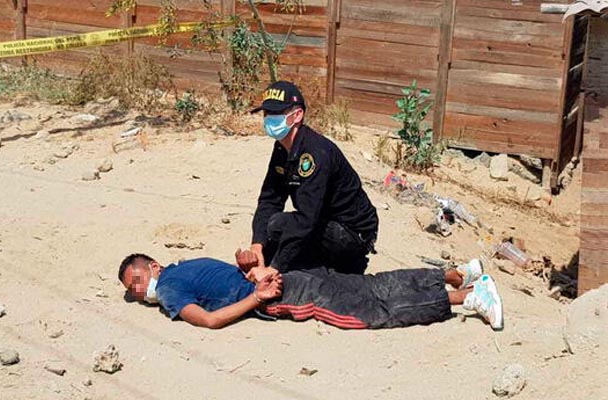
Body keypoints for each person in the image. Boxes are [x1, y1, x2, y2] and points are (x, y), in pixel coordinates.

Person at [118, 253, 503, 331]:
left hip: (282, 295)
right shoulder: (190, 264)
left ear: (154, 267)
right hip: (291, 275)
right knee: (371, 284)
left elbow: (209, 320)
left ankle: (468, 296)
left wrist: (257, 298)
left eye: (136, 281)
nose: (137, 292)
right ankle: (456, 275)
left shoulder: (168, 288)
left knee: (370, 312)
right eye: (131, 290)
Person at [243, 81, 379, 276]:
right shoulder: (282, 147)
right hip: (323, 219)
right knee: (272, 228)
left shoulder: (315, 153)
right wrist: (257, 245)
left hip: (352, 232)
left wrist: (274, 269)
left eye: (276, 113)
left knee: (281, 225)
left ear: (297, 115)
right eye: (267, 113)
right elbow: (270, 199)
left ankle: (342, 267)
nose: (269, 119)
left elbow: (306, 219)